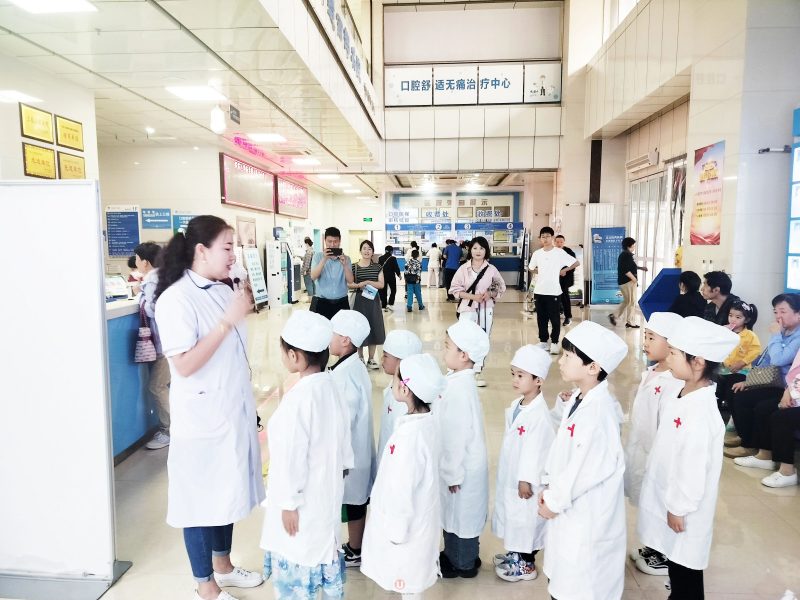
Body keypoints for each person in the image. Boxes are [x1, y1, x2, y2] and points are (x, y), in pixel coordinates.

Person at [153, 215, 264, 600]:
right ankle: (206, 587)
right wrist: (226, 323)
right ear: (201, 250)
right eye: (227, 247)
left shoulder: (220, 288)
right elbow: (183, 364)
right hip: (202, 421)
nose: (234, 255)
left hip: (229, 410)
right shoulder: (176, 299)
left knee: (225, 491)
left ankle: (224, 567)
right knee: (199, 501)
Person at [637, 317, 739, 600]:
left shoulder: (700, 413)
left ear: (698, 362)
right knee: (677, 563)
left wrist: (678, 507)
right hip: (672, 499)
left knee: (686, 569)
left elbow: (693, 467)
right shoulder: (683, 393)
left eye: (673, 353)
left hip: (684, 508)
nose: (668, 358)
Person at [260, 311, 352, 600]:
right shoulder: (330, 384)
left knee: (300, 553)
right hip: (325, 490)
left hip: (300, 502)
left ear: (294, 357)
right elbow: (344, 433)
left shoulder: (298, 400)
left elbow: (291, 456)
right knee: (320, 544)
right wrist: (343, 465)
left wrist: (288, 503)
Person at [538, 320, 628, 600]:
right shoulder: (580, 397)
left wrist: (553, 501)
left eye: (568, 356)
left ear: (593, 367)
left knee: (581, 586)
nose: (560, 361)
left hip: (586, 515)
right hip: (570, 509)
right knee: (566, 578)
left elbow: (582, 469)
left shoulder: (598, 414)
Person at [360, 353, 446, 599]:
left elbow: (402, 488)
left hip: (405, 528)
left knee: (407, 581)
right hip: (417, 523)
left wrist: (396, 530)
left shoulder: (410, 438)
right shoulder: (425, 423)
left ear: (405, 389)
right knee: (411, 579)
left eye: (396, 378)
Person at [624, 312, 685, 577]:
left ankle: (664, 553)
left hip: (659, 454)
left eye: (651, 338)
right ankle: (653, 546)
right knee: (647, 500)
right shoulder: (651, 372)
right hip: (642, 447)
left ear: (671, 344)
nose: (645, 342)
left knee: (660, 500)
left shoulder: (674, 381)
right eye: (645, 336)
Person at [491, 344, 554, 583]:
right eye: (513, 374)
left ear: (538, 380)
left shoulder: (539, 415)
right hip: (514, 474)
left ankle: (526, 563)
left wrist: (526, 479)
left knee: (526, 523)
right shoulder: (519, 405)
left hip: (526, 482)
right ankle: (516, 554)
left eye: (521, 375)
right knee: (515, 519)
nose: (515, 380)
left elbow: (536, 451)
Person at [438, 320, 490, 579]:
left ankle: (462, 563)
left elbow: (455, 437)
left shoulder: (459, 389)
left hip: (460, 468)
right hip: (463, 465)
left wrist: (452, 474)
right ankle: (460, 556)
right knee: (458, 515)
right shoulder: (457, 380)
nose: (443, 350)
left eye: (447, 346)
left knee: (460, 517)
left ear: (464, 355)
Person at [329, 310, 377, 569]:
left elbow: (343, 420)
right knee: (355, 499)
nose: (328, 338)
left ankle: (355, 549)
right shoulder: (350, 366)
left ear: (345, 340)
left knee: (354, 501)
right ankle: (355, 546)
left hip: (350, 454)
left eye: (332, 333)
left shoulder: (346, 375)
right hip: (355, 452)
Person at [725, 294, 800, 459]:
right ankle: (746, 438)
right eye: (775, 312)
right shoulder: (783, 331)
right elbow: (765, 360)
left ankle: (752, 445)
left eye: (783, 311)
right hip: (773, 382)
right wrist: (750, 381)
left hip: (787, 388)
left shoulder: (796, 336)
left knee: (761, 406)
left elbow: (779, 359)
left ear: (798, 314)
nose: (778, 316)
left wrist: (775, 335)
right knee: (737, 394)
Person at [733, 356, 800, 488]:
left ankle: (787, 472)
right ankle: (765, 456)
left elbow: (779, 359)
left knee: (782, 417)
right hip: (795, 393)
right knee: (764, 408)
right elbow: (796, 373)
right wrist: (788, 392)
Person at [449, 236, 507, 387]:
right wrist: (473, 297)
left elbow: (501, 286)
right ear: (470, 250)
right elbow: (454, 289)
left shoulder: (491, 269)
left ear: (486, 250)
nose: (478, 251)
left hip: (485, 308)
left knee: (482, 339)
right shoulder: (463, 269)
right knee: (463, 338)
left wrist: (490, 293)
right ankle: (458, 369)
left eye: (481, 248)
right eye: (475, 248)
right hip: (467, 308)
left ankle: (476, 372)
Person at [134, 241, 171, 450]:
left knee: (157, 386)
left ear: (146, 262)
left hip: (163, 343)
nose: (136, 263)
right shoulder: (164, 276)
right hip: (169, 341)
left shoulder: (152, 280)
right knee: (163, 385)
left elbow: (153, 309)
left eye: (137, 259)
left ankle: (170, 431)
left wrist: (140, 295)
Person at [528, 227, 580, 355]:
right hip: (540, 291)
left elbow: (576, 263)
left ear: (552, 238)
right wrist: (541, 271)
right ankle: (543, 342)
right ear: (540, 239)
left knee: (555, 319)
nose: (545, 239)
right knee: (541, 318)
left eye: (547, 236)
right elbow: (530, 268)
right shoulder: (537, 253)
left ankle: (555, 342)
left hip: (554, 291)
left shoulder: (559, 252)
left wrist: (564, 270)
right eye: (543, 236)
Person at [377, 330, 423, 461]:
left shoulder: (405, 399)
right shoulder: (395, 384)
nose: (381, 360)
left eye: (385, 356)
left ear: (401, 361)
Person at [716, 300, 761, 418]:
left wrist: (742, 362)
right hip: (723, 370)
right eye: (730, 315)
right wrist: (721, 332)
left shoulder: (750, 335)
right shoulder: (725, 331)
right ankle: (716, 416)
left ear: (746, 320)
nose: (732, 319)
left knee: (731, 392)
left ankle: (733, 417)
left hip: (741, 371)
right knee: (715, 391)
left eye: (738, 317)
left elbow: (755, 350)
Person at [349, 240, 385, 369]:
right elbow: (348, 283)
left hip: (373, 301)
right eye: (364, 248)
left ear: (373, 252)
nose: (366, 251)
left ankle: (371, 359)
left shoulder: (378, 267)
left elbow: (381, 284)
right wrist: (359, 285)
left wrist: (367, 282)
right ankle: (360, 358)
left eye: (369, 249)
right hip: (359, 301)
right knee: (359, 328)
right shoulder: (354, 266)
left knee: (373, 327)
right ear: (360, 250)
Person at [309, 227, 354, 320]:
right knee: (322, 329)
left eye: (335, 241)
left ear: (340, 241)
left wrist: (345, 265)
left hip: (342, 302)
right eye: (329, 241)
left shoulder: (346, 259)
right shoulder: (318, 257)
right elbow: (313, 276)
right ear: (325, 241)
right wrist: (324, 259)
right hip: (321, 302)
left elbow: (350, 281)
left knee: (342, 328)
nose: (332, 244)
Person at [609, 236, 648, 328]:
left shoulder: (625, 255)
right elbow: (626, 270)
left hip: (625, 281)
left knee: (628, 301)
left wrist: (641, 268)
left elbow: (630, 266)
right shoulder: (626, 255)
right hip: (627, 282)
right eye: (633, 245)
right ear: (629, 246)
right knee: (631, 301)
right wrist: (634, 279)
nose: (634, 247)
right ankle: (629, 321)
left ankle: (615, 316)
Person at [554, 235, 577, 325]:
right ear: (554, 242)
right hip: (555, 278)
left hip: (566, 278)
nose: (559, 244)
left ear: (564, 242)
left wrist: (565, 271)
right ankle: (559, 311)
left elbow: (574, 265)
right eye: (557, 242)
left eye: (561, 242)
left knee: (564, 297)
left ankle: (568, 317)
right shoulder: (553, 251)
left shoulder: (569, 252)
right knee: (555, 297)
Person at [379, 245, 401, 312]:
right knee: (393, 290)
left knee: (383, 291)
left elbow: (379, 268)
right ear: (391, 251)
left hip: (383, 277)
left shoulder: (380, 258)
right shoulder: (393, 258)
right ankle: (390, 303)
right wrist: (399, 275)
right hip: (391, 277)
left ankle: (383, 305)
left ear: (385, 250)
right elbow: (396, 267)